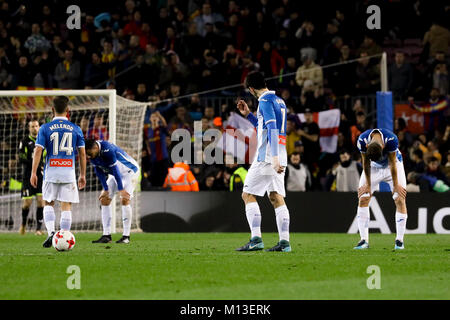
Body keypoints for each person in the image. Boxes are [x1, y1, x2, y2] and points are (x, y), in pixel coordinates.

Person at [236, 71, 291, 252]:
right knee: (275, 196)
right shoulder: (279, 101)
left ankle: (256, 239)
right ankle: (284, 243)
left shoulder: (265, 101)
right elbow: (265, 126)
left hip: (268, 155)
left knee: (247, 194)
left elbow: (272, 129)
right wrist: (249, 115)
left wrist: (273, 158)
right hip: (280, 153)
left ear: (251, 89)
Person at [30, 96, 86, 248]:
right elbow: (82, 153)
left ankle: (51, 234)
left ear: (52, 110)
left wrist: (33, 173)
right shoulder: (76, 128)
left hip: (51, 173)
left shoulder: (45, 128)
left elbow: (38, 151)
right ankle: (64, 235)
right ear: (68, 111)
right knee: (66, 205)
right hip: (68, 173)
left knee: (48, 203)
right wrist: (82, 175)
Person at [354, 128, 407, 250]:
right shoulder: (362, 140)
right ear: (366, 146)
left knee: (399, 198)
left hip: (393, 165)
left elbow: (393, 163)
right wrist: (367, 184)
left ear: (383, 147)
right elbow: (365, 163)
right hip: (372, 168)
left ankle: (399, 241)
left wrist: (395, 185)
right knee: (363, 197)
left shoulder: (392, 139)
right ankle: (363, 241)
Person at [85, 139, 140, 244]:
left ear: (95, 148)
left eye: (89, 153)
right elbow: (98, 171)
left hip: (130, 172)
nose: (88, 156)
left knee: (125, 199)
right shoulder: (92, 154)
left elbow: (115, 170)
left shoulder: (107, 149)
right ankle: (106, 235)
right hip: (115, 175)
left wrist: (121, 189)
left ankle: (126, 236)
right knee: (104, 200)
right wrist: (105, 189)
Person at [18, 119, 45, 235]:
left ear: (39, 127)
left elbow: (46, 155)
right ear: (29, 128)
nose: (35, 128)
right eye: (32, 126)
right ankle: (23, 225)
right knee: (27, 203)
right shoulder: (24, 141)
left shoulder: (43, 140)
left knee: (41, 201)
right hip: (28, 175)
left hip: (40, 175)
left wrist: (42, 164)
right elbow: (21, 158)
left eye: (37, 126)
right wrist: (35, 161)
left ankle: (38, 229)